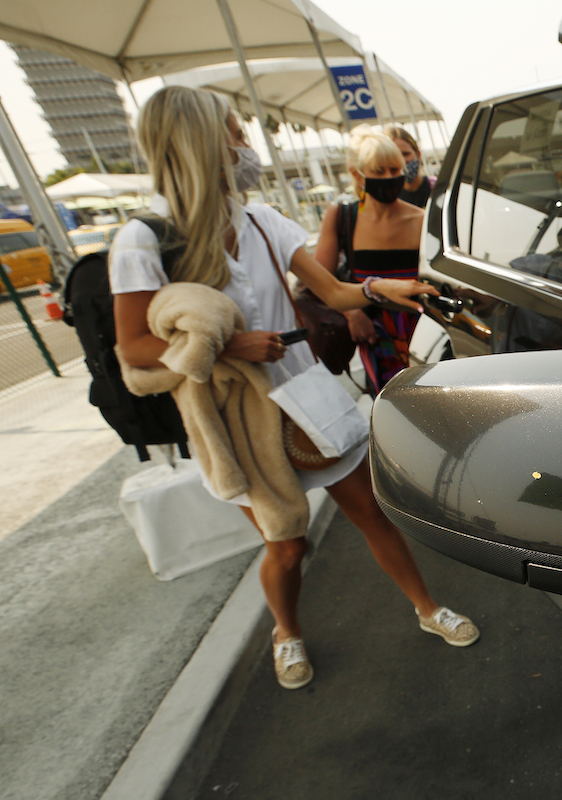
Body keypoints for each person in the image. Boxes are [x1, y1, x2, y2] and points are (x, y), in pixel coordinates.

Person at [112, 86, 479, 691]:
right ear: (201, 141)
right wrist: (232, 346)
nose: (246, 145)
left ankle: (425, 607)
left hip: (307, 393)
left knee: (372, 512)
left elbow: (333, 292)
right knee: (287, 544)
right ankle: (286, 631)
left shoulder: (261, 220)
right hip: (239, 416)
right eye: (235, 132)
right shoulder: (143, 240)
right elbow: (132, 348)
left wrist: (383, 289)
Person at [315, 126, 423, 391]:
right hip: (374, 338)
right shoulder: (342, 217)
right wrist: (352, 313)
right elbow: (319, 280)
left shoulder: (421, 219)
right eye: (378, 171)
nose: (389, 177)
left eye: (395, 170)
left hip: (421, 337)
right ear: (357, 174)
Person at [387, 125, 435, 209]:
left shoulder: (437, 187)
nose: (403, 161)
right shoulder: (389, 199)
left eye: (406, 154)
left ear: (418, 155)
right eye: (396, 156)